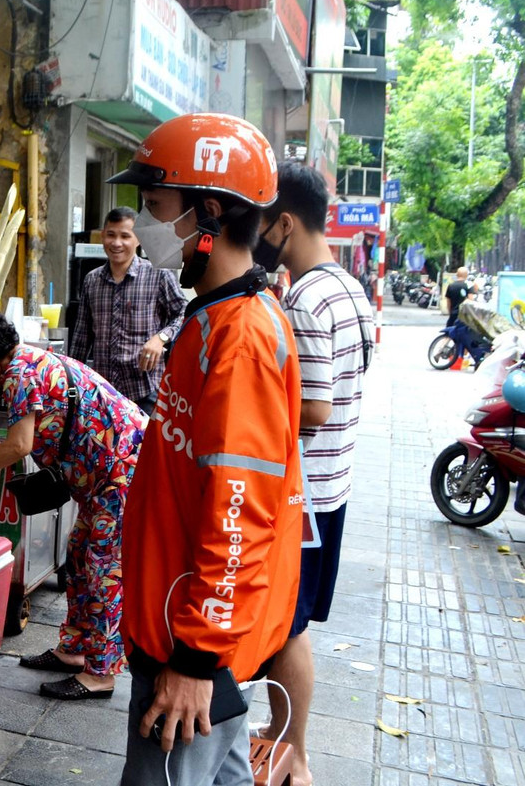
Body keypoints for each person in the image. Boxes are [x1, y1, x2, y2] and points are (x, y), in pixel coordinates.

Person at [107, 113, 304, 786]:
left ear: (208, 213)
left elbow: (240, 510)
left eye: (157, 207)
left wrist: (195, 660)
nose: (144, 226)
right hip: (186, 636)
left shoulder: (241, 336)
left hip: (190, 653)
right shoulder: (211, 316)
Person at [0, 305, 144, 701]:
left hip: (123, 471)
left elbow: (19, 445)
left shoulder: (19, 374)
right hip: (104, 474)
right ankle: (73, 651)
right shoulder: (24, 362)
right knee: (79, 554)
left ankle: (100, 671)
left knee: (102, 566)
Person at [251, 162, 374, 786]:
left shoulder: (306, 297)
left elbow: (315, 409)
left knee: (287, 630)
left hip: (306, 498)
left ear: (285, 223)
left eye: (264, 223)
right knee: (290, 627)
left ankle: (291, 752)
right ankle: (283, 740)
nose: (259, 237)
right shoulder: (348, 287)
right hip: (335, 488)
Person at [69, 206, 187, 415]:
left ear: (138, 239)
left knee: (145, 448)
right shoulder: (92, 280)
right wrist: (72, 383)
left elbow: (184, 312)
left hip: (145, 391)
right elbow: (81, 336)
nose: (116, 243)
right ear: (103, 236)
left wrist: (160, 338)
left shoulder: (158, 275)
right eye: (111, 235)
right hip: (102, 393)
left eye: (125, 236)